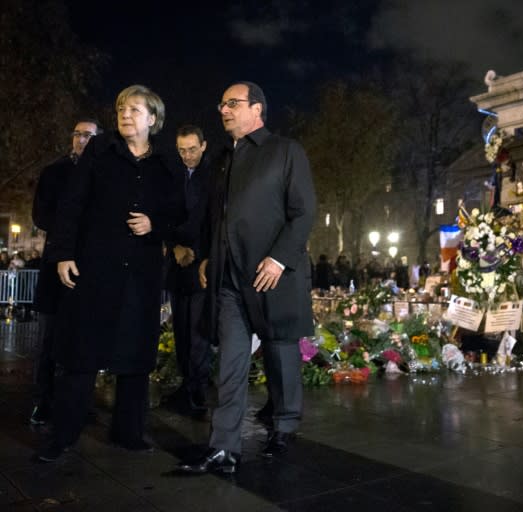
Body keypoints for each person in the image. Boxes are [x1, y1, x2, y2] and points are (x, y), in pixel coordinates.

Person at [35, 85, 184, 462]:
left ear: (153, 119)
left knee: (136, 355)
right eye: (121, 108)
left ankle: (128, 432)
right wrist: (63, 253)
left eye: (135, 109)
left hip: (141, 274)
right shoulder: (100, 153)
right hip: (95, 268)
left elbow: (179, 215)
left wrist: (155, 224)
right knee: (81, 354)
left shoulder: (165, 165)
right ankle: (62, 438)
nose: (126, 114)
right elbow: (72, 203)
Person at [178, 81, 315, 474]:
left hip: (271, 274)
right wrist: (207, 258)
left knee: (280, 353)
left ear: (257, 109)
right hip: (228, 280)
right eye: (221, 103)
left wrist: (278, 259)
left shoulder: (286, 151)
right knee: (231, 363)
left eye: (232, 103)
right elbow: (214, 218)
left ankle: (284, 428)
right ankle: (223, 448)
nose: (223, 110)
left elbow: (303, 212)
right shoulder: (224, 159)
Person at [29, 118, 101, 426]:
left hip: (91, 267)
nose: (82, 139)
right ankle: (43, 401)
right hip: (56, 263)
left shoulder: (103, 174)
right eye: (78, 134)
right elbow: (41, 215)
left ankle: (79, 402)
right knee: (50, 339)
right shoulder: (53, 173)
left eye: (89, 135)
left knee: (84, 340)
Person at [163, 124, 213, 415]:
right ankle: (186, 386)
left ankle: (197, 390)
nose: (187, 155)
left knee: (198, 333)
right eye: (182, 150)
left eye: (192, 149)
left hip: (202, 265)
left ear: (203, 146)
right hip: (177, 264)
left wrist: (200, 253)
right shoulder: (173, 175)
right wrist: (174, 247)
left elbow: (214, 220)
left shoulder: (213, 177)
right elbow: (164, 214)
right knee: (180, 330)